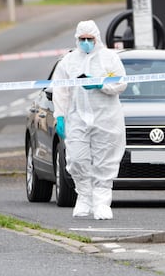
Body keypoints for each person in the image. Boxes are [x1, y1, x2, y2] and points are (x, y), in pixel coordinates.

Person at [52, 20, 126, 220]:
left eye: (89, 39)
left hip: (106, 118)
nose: (86, 42)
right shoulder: (68, 62)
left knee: (105, 160)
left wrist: (99, 84)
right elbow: (60, 89)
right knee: (76, 159)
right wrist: (59, 115)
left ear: (97, 38)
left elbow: (120, 83)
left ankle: (102, 202)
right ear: (77, 39)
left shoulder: (109, 58)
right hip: (77, 118)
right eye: (82, 39)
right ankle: (84, 196)